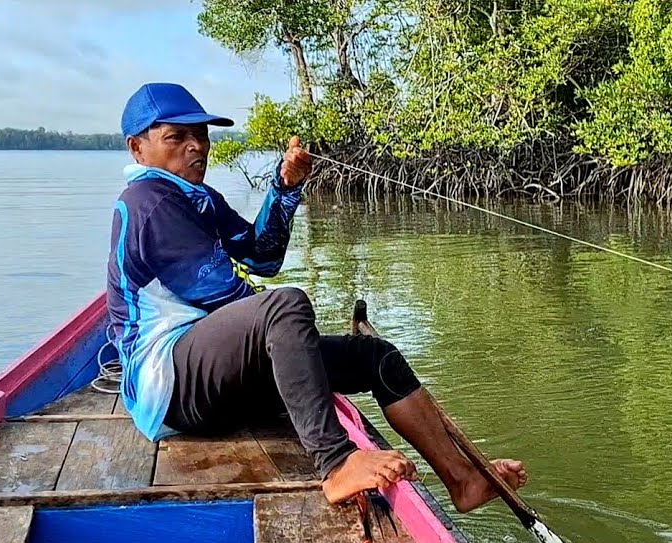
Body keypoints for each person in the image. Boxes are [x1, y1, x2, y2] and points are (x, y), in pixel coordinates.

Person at [106, 82, 526, 510]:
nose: (196, 146)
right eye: (176, 137)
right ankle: (337, 463)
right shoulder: (148, 203)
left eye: (202, 134)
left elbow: (261, 254)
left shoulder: (199, 199)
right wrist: (292, 336)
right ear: (137, 148)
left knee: (375, 357)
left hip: (219, 372)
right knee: (286, 306)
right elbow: (222, 295)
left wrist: (285, 187)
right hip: (174, 388)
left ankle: (463, 481)